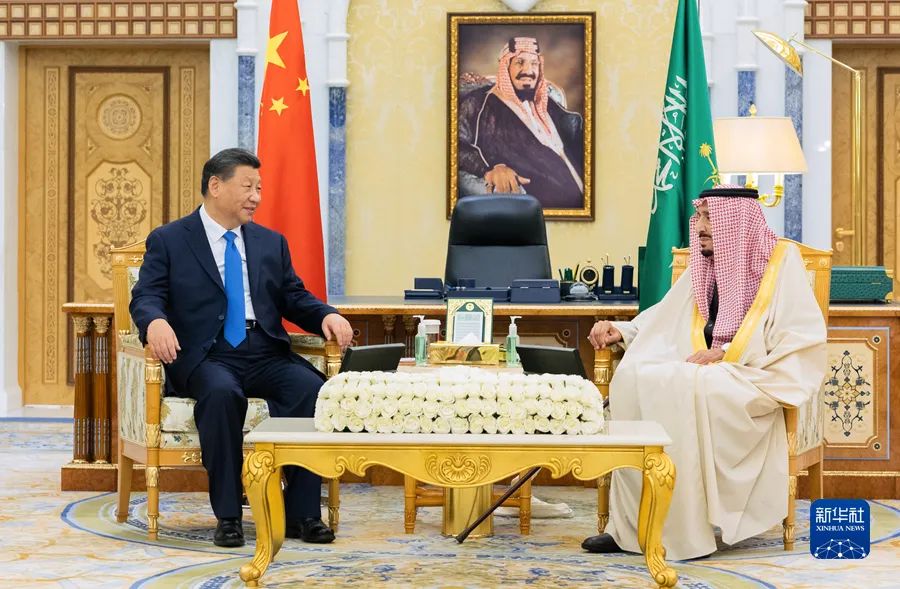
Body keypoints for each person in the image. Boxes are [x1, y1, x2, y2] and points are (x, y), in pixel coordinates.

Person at [581, 186, 827, 560]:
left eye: (710, 218)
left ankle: (682, 532)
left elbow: (798, 337)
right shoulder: (704, 265)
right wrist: (624, 330)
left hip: (754, 375)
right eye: (700, 216)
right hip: (705, 372)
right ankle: (630, 527)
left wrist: (726, 353)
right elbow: (665, 315)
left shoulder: (780, 263)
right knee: (633, 377)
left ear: (735, 223)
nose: (700, 227)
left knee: (684, 382)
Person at [130, 148, 353, 548]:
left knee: (312, 390)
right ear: (215, 186)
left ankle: (302, 514)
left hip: (264, 350)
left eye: (259, 189)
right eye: (248, 187)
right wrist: (155, 322)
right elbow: (146, 295)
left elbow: (293, 296)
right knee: (221, 394)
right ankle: (229, 515)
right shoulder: (170, 239)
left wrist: (326, 315)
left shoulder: (270, 242)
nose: (256, 197)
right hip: (208, 354)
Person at [457, 36, 584, 209]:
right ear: (506, 67)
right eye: (519, 62)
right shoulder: (479, 103)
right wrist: (490, 168)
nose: (528, 70)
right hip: (537, 206)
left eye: (534, 63)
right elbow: (455, 144)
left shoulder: (549, 104)